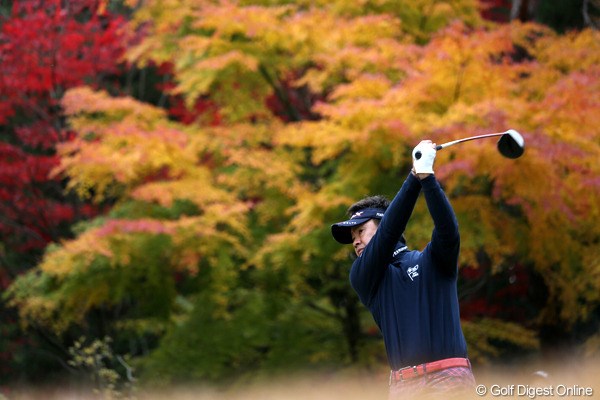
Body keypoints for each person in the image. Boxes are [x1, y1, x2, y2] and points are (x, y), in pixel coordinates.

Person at [331, 140, 476, 399]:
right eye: (352, 236)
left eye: (361, 231)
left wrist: (427, 179)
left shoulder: (431, 261)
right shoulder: (364, 277)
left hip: (449, 380)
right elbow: (385, 237)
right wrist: (413, 178)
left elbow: (448, 231)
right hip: (402, 387)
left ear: (384, 222)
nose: (355, 241)